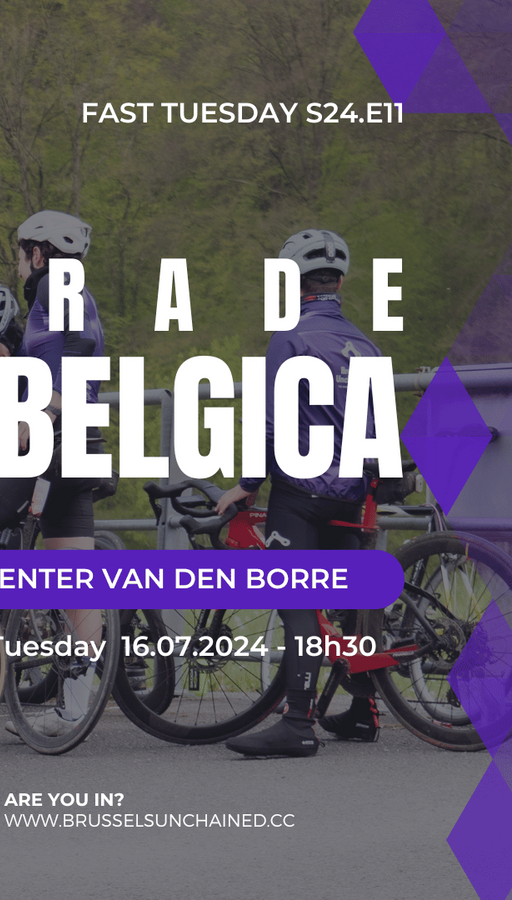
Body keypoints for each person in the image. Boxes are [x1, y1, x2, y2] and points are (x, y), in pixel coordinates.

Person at [0, 212, 107, 739]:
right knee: (72, 576)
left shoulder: (53, 290)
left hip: (49, 441)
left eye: (20, 252)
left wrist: (41, 417)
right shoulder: (76, 293)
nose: (18, 263)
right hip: (83, 443)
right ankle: (77, 703)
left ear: (38, 253)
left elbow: (74, 360)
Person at [217, 228, 382, 758]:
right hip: (352, 490)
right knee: (353, 599)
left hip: (302, 490)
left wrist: (246, 486)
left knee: (296, 599)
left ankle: (297, 721)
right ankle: (363, 710)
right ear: (339, 282)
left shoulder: (290, 339)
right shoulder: (366, 343)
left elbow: (272, 422)